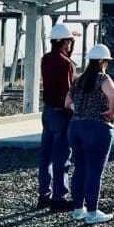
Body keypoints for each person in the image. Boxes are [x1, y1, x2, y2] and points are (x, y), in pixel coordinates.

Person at [66, 44, 114, 224]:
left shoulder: (78, 80)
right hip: (97, 128)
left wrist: (79, 109)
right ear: (104, 61)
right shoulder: (103, 78)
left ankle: (78, 210)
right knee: (94, 171)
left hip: (75, 127)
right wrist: (111, 111)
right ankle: (92, 212)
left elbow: (66, 103)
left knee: (80, 168)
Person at [37, 23, 79, 212]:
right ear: (64, 42)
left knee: (46, 156)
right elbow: (67, 92)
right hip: (61, 113)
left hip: (47, 112)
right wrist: (74, 111)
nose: (70, 44)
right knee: (62, 157)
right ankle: (59, 197)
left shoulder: (46, 59)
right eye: (69, 41)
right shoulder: (65, 63)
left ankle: (43, 194)